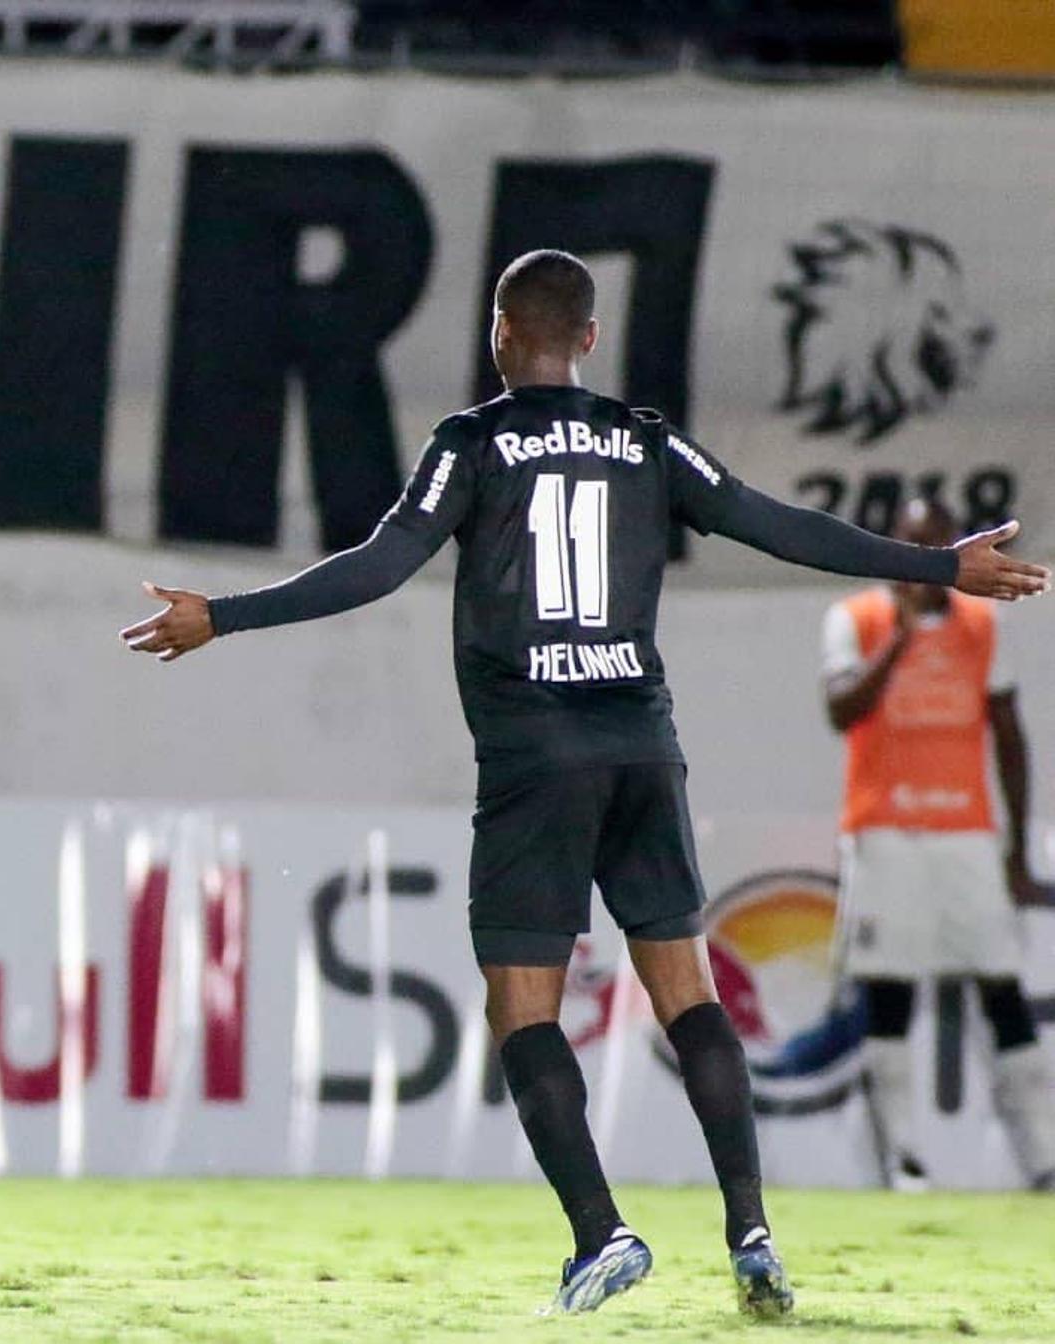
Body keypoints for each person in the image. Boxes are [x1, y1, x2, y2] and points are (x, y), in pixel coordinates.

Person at [120, 250, 1048, 1317]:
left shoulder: (470, 442)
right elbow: (778, 526)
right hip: (643, 745)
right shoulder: (646, 440)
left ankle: (601, 1233)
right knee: (688, 994)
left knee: (524, 1008)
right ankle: (751, 1229)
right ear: (591, 339)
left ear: (501, 335)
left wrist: (221, 616)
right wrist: (940, 567)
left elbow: (380, 565)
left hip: (535, 753)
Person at [824, 496, 1055, 1192]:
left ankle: (1042, 1158)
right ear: (897, 549)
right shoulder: (856, 619)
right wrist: (899, 636)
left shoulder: (983, 624)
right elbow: (841, 710)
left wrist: (1017, 849)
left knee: (1001, 989)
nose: (924, 557)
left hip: (967, 833)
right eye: (912, 544)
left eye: (936, 543)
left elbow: (1010, 738)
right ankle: (902, 1163)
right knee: (889, 991)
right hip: (886, 831)